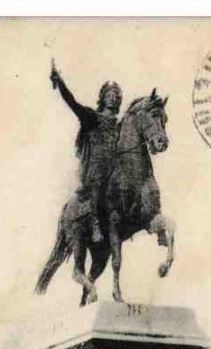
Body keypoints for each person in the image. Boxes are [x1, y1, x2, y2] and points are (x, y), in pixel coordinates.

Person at [50, 60, 122, 243]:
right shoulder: (92, 117)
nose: (113, 97)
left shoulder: (119, 126)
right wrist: (60, 83)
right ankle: (95, 223)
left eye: (116, 95)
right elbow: (72, 102)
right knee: (98, 179)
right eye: (110, 94)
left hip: (115, 168)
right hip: (96, 169)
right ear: (103, 98)